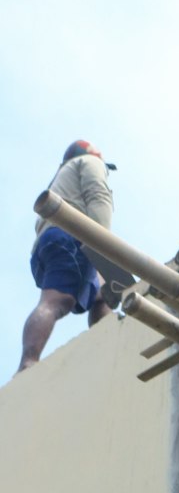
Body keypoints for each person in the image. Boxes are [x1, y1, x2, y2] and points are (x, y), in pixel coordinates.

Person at [17, 141, 116, 373]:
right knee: (57, 300)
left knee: (103, 294)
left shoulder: (60, 179)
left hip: (51, 242)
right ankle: (28, 364)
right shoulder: (89, 162)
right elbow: (98, 195)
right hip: (71, 237)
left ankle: (106, 347)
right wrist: (105, 245)